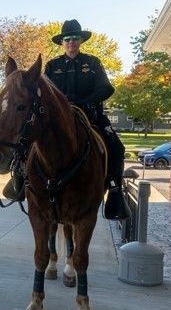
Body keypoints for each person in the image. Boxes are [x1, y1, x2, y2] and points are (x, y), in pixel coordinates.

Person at [44, 19, 130, 220]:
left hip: (90, 115)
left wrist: (85, 101)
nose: (71, 42)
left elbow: (106, 88)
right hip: (58, 119)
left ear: (81, 40)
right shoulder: (51, 66)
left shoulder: (92, 63)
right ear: (62, 42)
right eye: (67, 39)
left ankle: (115, 191)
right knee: (30, 141)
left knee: (117, 148)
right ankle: (21, 182)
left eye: (75, 38)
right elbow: (44, 92)